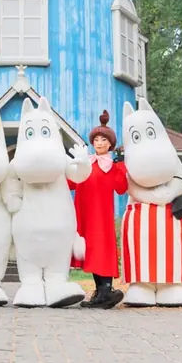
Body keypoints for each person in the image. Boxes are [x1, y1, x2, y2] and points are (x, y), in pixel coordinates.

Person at [68, 110, 129, 309]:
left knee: (102, 249)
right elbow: (71, 182)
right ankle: (100, 291)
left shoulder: (112, 166)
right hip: (84, 213)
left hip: (101, 215)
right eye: (96, 139)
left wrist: (121, 165)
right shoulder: (86, 162)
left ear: (110, 144)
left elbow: (121, 188)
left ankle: (106, 290)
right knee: (90, 251)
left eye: (104, 140)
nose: (100, 143)